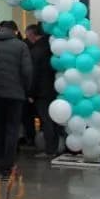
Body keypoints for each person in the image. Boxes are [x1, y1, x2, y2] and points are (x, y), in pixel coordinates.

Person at [0, 20, 33, 178]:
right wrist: (26, 90)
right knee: (12, 129)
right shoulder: (21, 46)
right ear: (15, 31)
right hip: (15, 94)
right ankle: (7, 166)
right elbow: (27, 71)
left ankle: (0, 160)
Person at [26, 23, 61, 157]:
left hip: (41, 91)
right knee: (54, 120)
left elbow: (34, 75)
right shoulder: (52, 47)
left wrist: (30, 93)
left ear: (32, 35)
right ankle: (55, 147)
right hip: (55, 88)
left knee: (46, 120)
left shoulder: (36, 51)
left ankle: (49, 150)